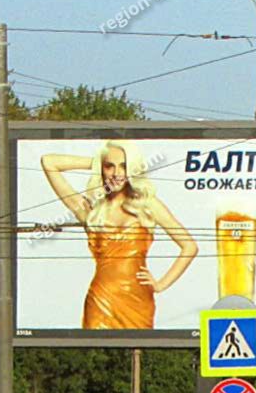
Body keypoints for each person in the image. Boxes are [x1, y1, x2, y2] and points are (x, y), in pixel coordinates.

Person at [40, 141, 197, 330]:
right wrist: (96, 163)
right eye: (109, 166)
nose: (116, 173)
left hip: (137, 300)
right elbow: (49, 162)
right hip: (100, 300)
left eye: (124, 166)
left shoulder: (148, 205)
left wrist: (161, 284)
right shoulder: (90, 211)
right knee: (96, 355)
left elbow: (190, 246)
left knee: (138, 353)